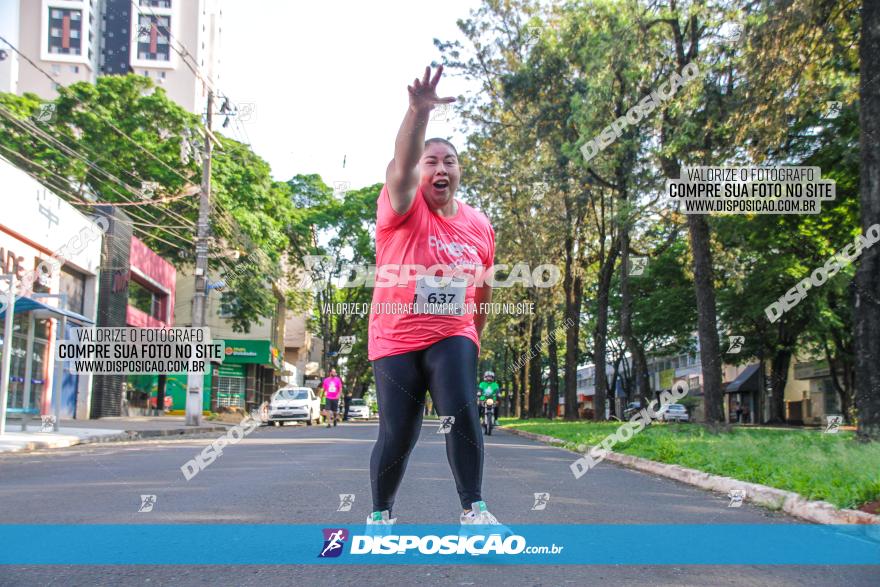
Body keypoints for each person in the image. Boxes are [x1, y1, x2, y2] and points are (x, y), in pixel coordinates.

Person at [366, 65, 504, 529]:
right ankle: (380, 516)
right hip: (396, 338)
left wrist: (474, 336)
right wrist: (417, 112)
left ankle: (474, 511)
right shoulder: (401, 205)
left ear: (459, 171)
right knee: (398, 434)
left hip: (452, 333)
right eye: (432, 161)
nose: (441, 167)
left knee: (462, 414)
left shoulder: (480, 224)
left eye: (449, 161)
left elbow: (482, 287)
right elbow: (401, 164)